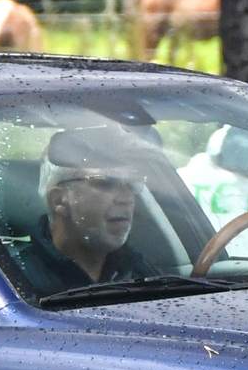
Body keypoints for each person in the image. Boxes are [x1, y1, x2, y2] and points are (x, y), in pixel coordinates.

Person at [11, 125, 166, 296]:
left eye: (131, 184)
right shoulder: (14, 284)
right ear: (59, 200)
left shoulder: (140, 271)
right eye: (105, 183)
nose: (126, 198)